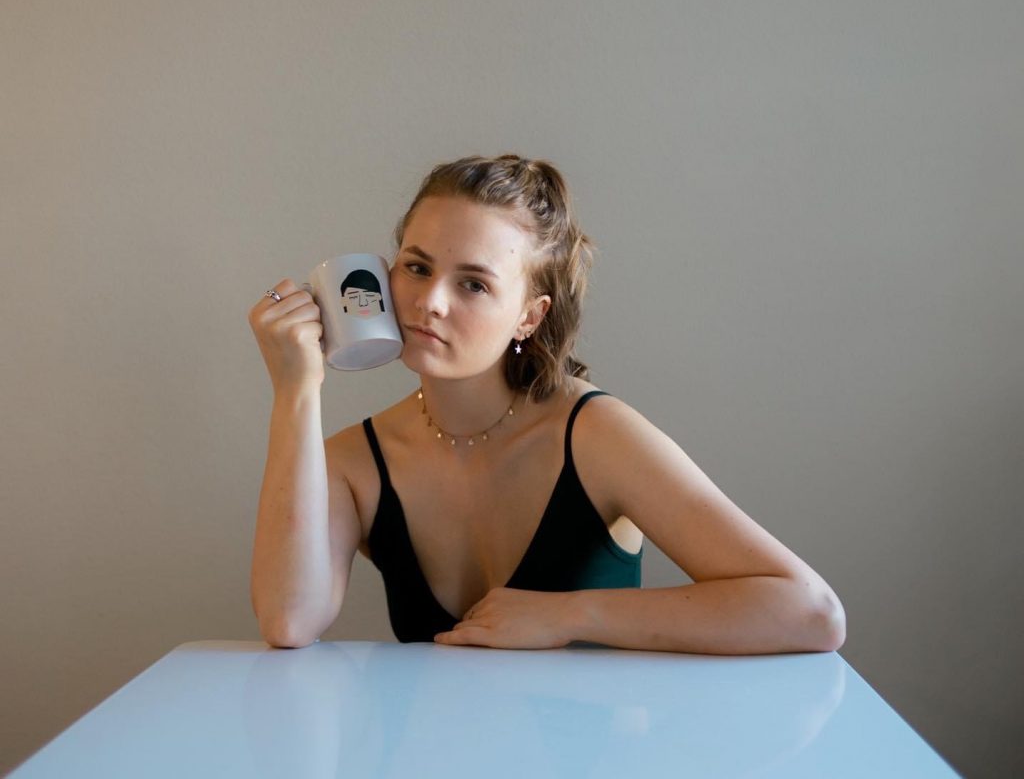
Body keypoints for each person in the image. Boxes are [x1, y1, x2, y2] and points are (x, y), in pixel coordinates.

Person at [247, 153, 846, 654]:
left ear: (530, 317)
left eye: (474, 283)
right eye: (416, 266)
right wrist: (297, 389)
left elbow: (810, 611)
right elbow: (289, 621)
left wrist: (570, 616)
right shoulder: (355, 462)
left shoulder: (595, 435)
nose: (430, 301)